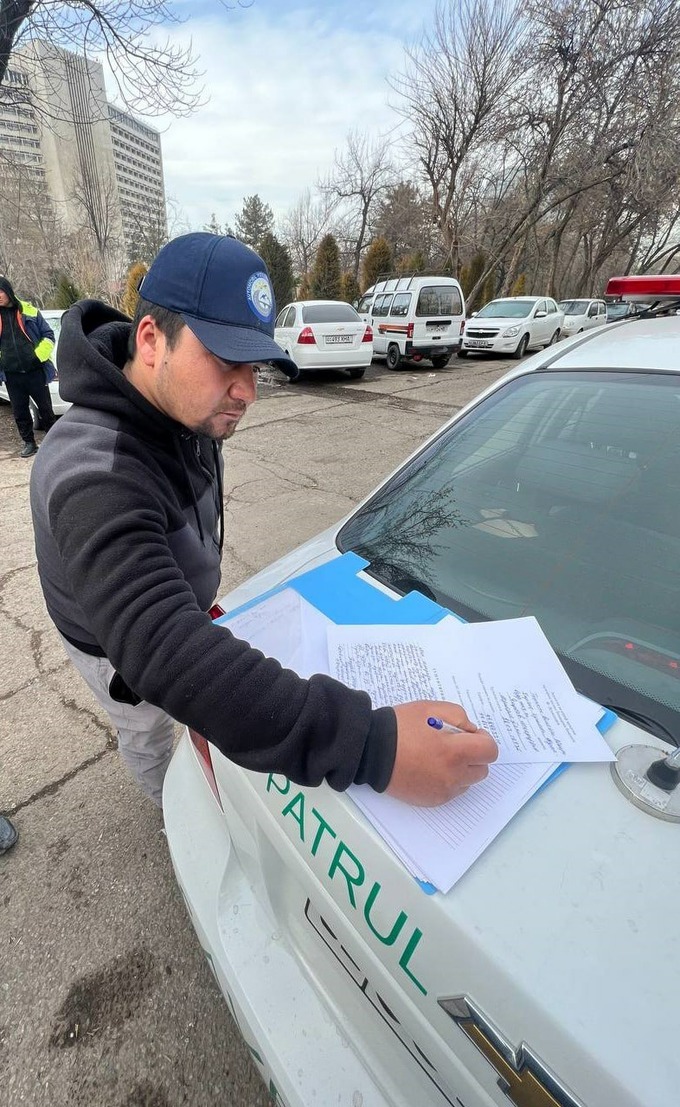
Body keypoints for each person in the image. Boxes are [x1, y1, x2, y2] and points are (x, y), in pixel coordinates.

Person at [30, 233, 497, 810]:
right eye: (227, 361)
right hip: (112, 645)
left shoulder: (180, 405)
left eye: (253, 363)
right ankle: (169, 807)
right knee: (146, 728)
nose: (248, 390)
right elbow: (160, 648)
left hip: (175, 604)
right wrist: (374, 748)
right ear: (151, 341)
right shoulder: (93, 470)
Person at [0, 277, 56, 457]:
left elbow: (48, 335)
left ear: (8, 291)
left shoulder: (29, 311)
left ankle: (54, 441)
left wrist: (37, 357)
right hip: (12, 374)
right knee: (20, 412)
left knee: (46, 409)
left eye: (0, 292)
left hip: (35, 372)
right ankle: (29, 443)